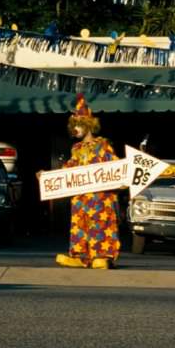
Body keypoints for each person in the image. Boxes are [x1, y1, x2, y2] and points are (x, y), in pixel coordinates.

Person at [48, 93, 121, 270]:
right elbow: (69, 168)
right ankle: (81, 256)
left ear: (89, 125)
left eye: (79, 124)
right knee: (79, 224)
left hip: (100, 197)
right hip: (81, 198)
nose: (76, 129)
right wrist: (47, 177)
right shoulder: (77, 148)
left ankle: (101, 256)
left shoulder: (103, 145)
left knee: (100, 224)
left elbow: (116, 166)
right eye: (74, 125)